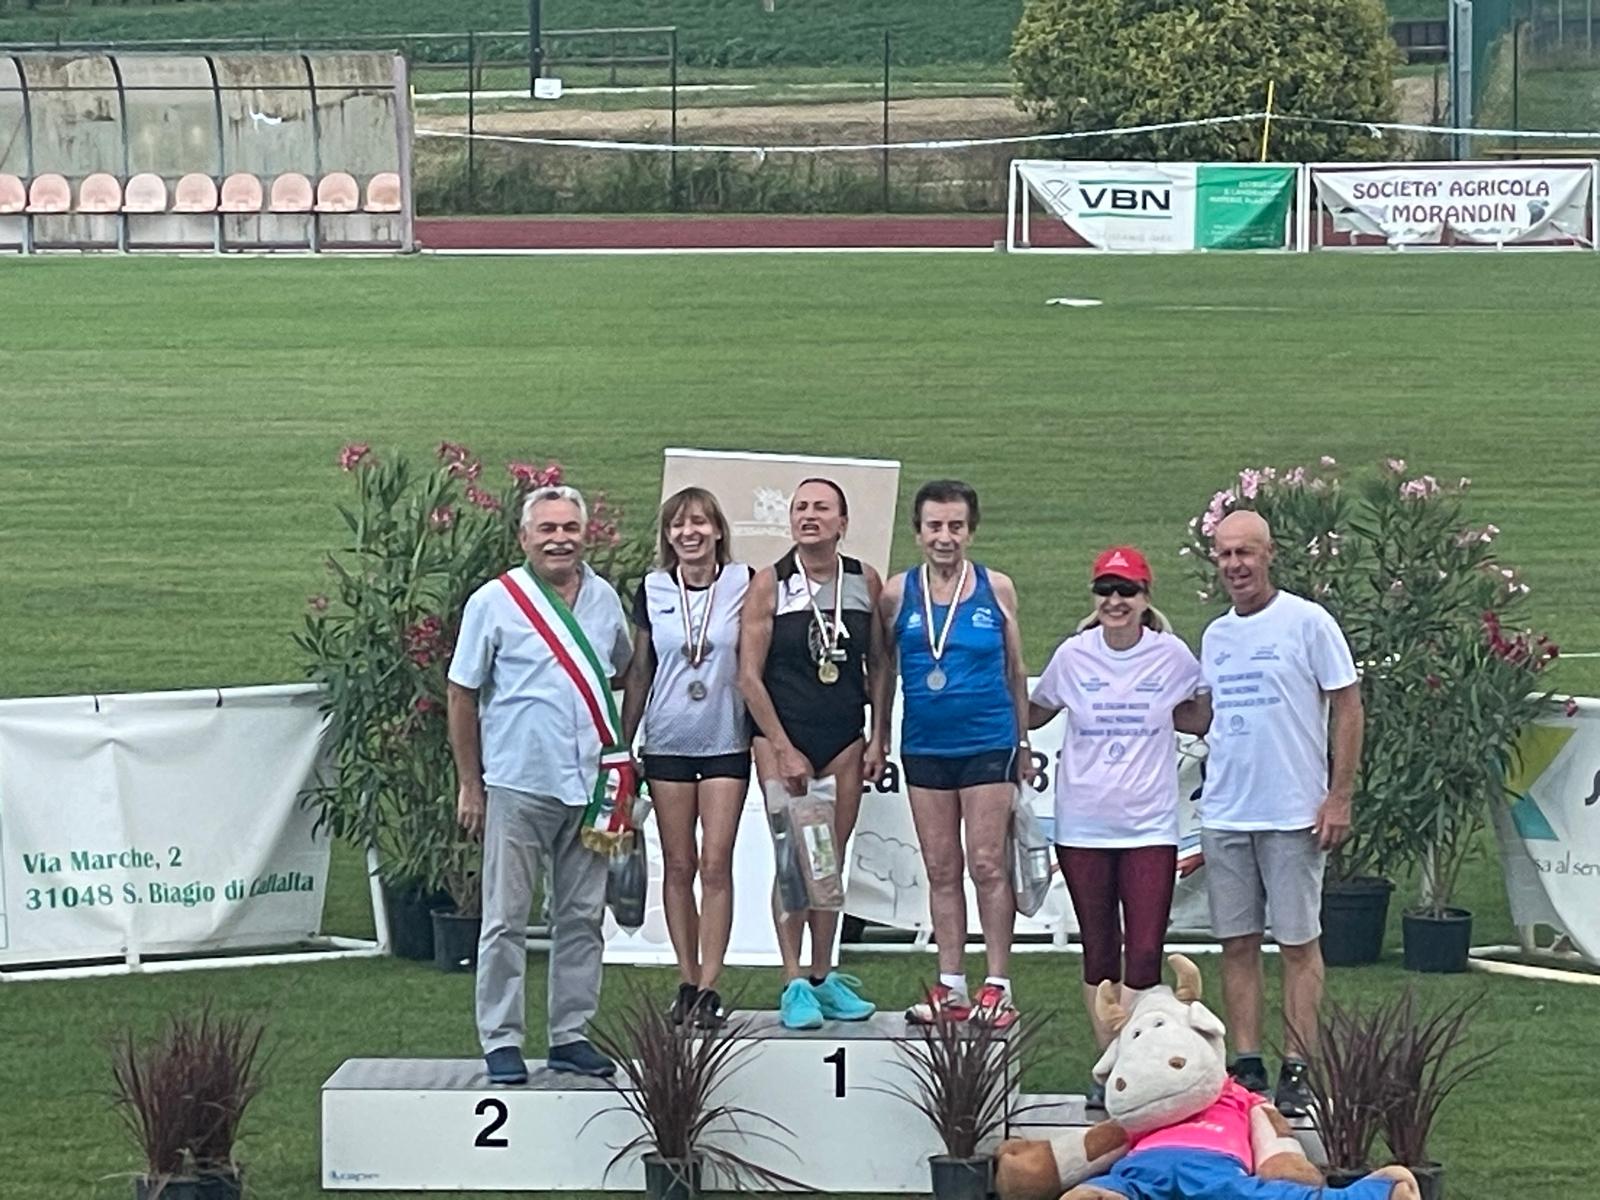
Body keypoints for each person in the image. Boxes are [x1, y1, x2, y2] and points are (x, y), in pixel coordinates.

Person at [447, 485, 634, 1085]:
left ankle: (570, 1034)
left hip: (591, 784)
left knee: (582, 916)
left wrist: (622, 748)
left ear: (585, 534)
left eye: (570, 528)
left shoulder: (604, 599)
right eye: (547, 529)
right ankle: (501, 1039)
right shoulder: (494, 602)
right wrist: (470, 784)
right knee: (505, 918)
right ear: (524, 537)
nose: (560, 539)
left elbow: (625, 669)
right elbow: (461, 693)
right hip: (519, 781)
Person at [1027, 546, 1211, 1107]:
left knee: (1146, 951)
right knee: (1100, 951)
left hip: (1149, 827)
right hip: (1083, 825)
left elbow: (1199, 713)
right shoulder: (1074, 655)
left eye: (1126, 590)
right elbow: (1033, 711)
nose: (1115, 601)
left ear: (1145, 598)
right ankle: (1109, 1065)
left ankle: (1134, 1061)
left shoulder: (1171, 655)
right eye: (1105, 590)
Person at [1199, 509, 1363, 1117]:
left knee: (1298, 942)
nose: (1235, 565)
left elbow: (1348, 706)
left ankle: (1298, 1066)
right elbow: (1204, 714)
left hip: (1292, 811)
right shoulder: (1216, 636)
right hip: (1227, 811)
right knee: (1236, 943)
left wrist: (1338, 794)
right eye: (1225, 554)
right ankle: (1246, 1064)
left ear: (1269, 555)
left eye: (1245, 552)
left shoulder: (1307, 622)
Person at [875, 480, 1032, 1029]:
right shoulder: (897, 593)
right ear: (918, 533)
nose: (945, 537)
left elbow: (1016, 670)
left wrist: (1023, 742)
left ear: (971, 531)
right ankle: (951, 985)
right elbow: (884, 670)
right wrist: (878, 736)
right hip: (925, 745)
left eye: (956, 526)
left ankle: (998, 985)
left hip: (987, 741)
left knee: (987, 862)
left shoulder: (996, 588)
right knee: (941, 867)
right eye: (935, 526)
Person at [738, 477, 887, 1030]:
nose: (809, 515)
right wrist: (782, 747)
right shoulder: (770, 582)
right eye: (800, 507)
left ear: (842, 523)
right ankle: (793, 979)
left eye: (821, 508)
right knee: (792, 861)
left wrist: (878, 736)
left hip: (843, 739)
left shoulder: (863, 580)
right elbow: (748, 676)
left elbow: (880, 664)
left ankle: (824, 977)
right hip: (783, 739)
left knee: (829, 859)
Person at [622, 487, 753, 1030]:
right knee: (679, 864)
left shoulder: (744, 582)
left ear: (718, 530)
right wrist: (623, 742)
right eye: (678, 524)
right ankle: (686, 977)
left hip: (726, 738)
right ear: (667, 535)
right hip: (667, 739)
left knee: (716, 863)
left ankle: (710, 986)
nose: (689, 532)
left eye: (699, 522)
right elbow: (640, 670)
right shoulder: (652, 588)